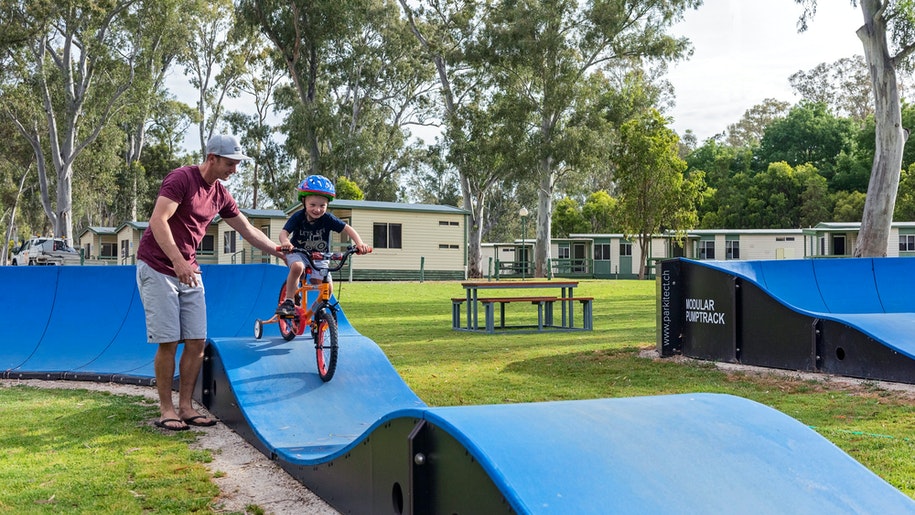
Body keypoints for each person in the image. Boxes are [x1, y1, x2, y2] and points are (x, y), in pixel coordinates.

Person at [137, 134, 285, 431]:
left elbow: (245, 228)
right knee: (168, 341)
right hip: (158, 266)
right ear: (212, 158)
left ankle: (186, 406)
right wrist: (177, 261)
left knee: (196, 341)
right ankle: (167, 409)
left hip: (189, 269)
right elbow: (158, 221)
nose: (234, 170)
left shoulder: (219, 194)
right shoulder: (181, 179)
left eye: (237, 164)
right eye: (230, 164)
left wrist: (280, 251)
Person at [275, 175, 371, 317]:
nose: (317, 209)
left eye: (322, 206)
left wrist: (359, 243)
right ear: (304, 202)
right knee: (298, 267)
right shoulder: (298, 217)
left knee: (328, 288)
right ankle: (289, 301)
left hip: (320, 256)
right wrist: (286, 243)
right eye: (312, 205)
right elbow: (283, 233)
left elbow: (347, 229)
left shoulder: (328, 219)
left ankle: (314, 312)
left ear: (327, 205)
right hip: (298, 252)